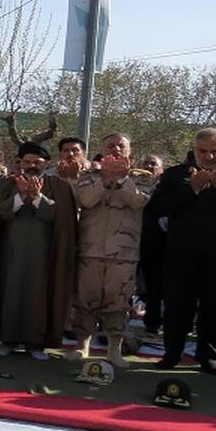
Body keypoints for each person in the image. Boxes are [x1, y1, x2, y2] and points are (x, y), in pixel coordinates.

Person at [148, 127, 216, 375]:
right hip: (181, 253)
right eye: (203, 151)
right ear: (194, 149)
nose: (209, 156)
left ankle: (208, 357)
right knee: (178, 306)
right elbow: (158, 207)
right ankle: (172, 354)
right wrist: (192, 190)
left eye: (215, 151)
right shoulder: (176, 175)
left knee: (215, 308)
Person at [0, 142, 77, 359]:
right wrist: (20, 197)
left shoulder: (59, 185)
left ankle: (35, 344)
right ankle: (7, 340)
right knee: (10, 294)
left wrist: (37, 197)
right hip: (10, 253)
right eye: (27, 162)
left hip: (43, 255)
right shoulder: (8, 183)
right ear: (20, 163)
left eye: (37, 162)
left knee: (38, 296)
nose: (32, 166)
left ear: (46, 163)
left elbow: (60, 218)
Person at [64, 133, 154, 368]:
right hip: (90, 250)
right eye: (110, 146)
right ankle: (82, 346)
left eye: (120, 146)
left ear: (129, 151)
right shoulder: (88, 176)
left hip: (123, 254)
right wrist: (105, 179)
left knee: (119, 302)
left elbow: (138, 201)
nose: (115, 149)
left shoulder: (142, 178)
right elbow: (87, 200)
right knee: (85, 301)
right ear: (102, 151)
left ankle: (114, 349)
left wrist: (123, 179)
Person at [136, 154, 167, 333]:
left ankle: (153, 322)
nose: (148, 166)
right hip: (127, 240)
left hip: (154, 243)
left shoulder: (165, 189)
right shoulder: (128, 184)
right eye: (145, 163)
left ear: (160, 169)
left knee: (155, 286)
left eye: (153, 164)